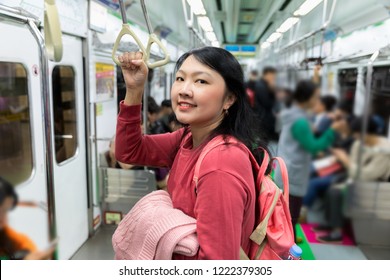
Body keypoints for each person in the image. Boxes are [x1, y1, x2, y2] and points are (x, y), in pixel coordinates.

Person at [115, 47, 270, 259]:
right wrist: (134, 90)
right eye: (180, 78)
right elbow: (129, 151)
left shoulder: (221, 163)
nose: (184, 90)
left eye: (201, 81)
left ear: (229, 99)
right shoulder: (188, 138)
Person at [274, 80, 347, 243]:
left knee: (286, 211)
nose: (317, 101)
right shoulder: (300, 121)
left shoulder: (294, 114)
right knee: (290, 214)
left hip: (286, 168)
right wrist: (332, 131)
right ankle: (287, 247)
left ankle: (289, 237)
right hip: (292, 174)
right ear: (307, 98)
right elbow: (314, 147)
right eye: (316, 97)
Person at [315, 116, 390, 243]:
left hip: (373, 186)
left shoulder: (384, 152)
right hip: (356, 179)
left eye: (356, 134)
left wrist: (345, 160)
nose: (354, 137)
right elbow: (353, 169)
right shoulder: (359, 143)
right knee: (330, 185)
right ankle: (330, 223)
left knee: (335, 192)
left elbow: (366, 175)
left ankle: (336, 233)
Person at [0, 177, 55, 260]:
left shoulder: (5, 233)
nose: (3, 217)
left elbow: (23, 242)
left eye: (5, 210)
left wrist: (27, 254)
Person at [253, 66, 278, 153]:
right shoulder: (261, 86)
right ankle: (261, 162)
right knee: (263, 143)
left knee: (265, 143)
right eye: (272, 75)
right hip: (263, 119)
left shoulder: (263, 85)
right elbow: (267, 103)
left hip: (265, 119)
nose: (274, 78)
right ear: (267, 74)